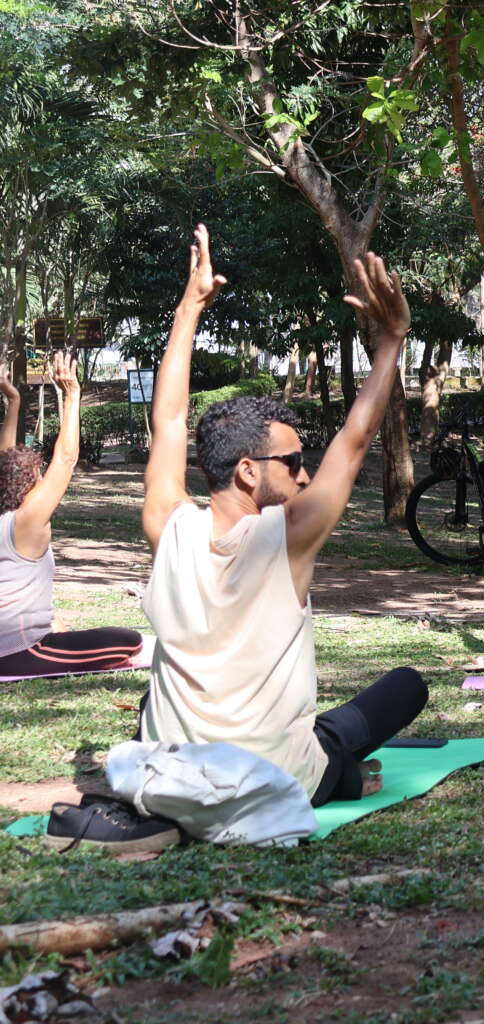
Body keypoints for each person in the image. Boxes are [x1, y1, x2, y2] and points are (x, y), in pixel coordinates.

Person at [138, 225, 427, 815]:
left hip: (173, 787)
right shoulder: (286, 537)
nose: (303, 475)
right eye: (293, 462)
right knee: (404, 689)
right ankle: (343, 771)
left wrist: (189, 307)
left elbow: (168, 422)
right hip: (277, 778)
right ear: (247, 471)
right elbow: (355, 439)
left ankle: (333, 757)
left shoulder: (168, 525)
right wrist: (393, 338)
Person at [0, 354, 143, 676]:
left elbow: (4, 462)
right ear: (28, 486)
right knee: (127, 640)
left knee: (57, 622)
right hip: (19, 653)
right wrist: (72, 394)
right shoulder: (27, 522)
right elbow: (65, 460)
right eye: (38, 475)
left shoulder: (5, 519)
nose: (42, 479)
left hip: (11, 645)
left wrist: (14, 402)